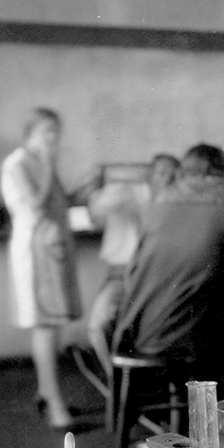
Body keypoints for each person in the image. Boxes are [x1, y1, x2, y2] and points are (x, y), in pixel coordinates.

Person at [110, 143, 224, 395]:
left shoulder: (156, 208)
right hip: (191, 343)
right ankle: (217, 408)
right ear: (216, 174)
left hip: (141, 334)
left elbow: (132, 273)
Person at [1, 106, 99, 429]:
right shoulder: (18, 163)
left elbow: (60, 202)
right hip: (36, 251)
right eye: (48, 132)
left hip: (53, 247)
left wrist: (86, 185)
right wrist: (48, 165)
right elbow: (36, 204)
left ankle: (46, 393)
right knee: (45, 325)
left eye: (56, 131)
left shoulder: (39, 162)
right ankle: (55, 406)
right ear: (30, 133)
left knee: (52, 325)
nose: (54, 138)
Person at [85, 153, 180, 379]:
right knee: (99, 323)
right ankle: (118, 382)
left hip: (158, 278)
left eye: (173, 175)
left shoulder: (176, 203)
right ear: (150, 175)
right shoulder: (129, 193)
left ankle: (153, 381)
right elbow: (95, 210)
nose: (167, 179)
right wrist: (119, 187)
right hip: (121, 275)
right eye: (161, 173)